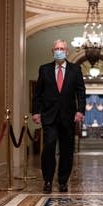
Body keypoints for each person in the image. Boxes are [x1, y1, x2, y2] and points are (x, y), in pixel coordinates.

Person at [32, 39, 86, 193]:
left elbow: (81, 92)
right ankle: (48, 180)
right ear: (52, 51)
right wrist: (36, 112)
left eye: (62, 48)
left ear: (67, 51)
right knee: (49, 146)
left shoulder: (75, 69)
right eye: (56, 48)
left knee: (66, 150)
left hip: (68, 116)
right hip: (49, 116)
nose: (59, 50)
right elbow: (38, 94)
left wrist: (80, 111)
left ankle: (63, 181)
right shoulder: (44, 69)